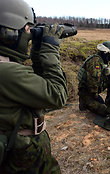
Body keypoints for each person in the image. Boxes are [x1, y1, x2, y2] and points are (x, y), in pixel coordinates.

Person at [0, 0, 68, 173]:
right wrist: (51, 49)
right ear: (9, 33)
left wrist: (37, 52)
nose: (29, 36)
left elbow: (36, 86)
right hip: (23, 156)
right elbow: (57, 95)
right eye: (27, 30)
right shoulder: (7, 72)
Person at [78, 41, 110, 116]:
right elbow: (92, 84)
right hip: (88, 93)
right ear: (106, 53)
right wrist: (97, 97)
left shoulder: (102, 60)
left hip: (95, 88)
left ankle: (109, 100)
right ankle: (85, 102)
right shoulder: (95, 62)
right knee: (106, 112)